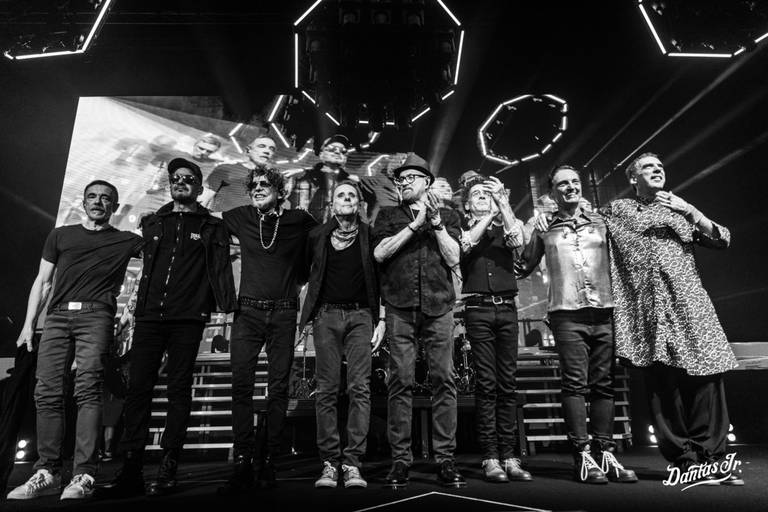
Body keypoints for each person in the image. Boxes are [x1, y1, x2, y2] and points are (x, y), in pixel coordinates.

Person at [99, 158, 237, 498]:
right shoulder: (153, 222)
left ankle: (169, 464)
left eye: (188, 178)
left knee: (178, 390)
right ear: (170, 183)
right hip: (149, 317)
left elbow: (221, 268)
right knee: (138, 390)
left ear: (199, 187)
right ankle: (131, 466)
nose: (181, 182)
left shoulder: (212, 226)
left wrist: (225, 309)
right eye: (176, 178)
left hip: (188, 318)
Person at [603, 153, 741, 484]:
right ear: (633, 178)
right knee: (664, 386)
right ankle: (684, 460)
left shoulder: (680, 210)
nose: (657, 170)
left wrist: (690, 211)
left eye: (660, 167)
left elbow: (722, 239)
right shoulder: (617, 210)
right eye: (648, 167)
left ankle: (713, 458)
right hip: (650, 312)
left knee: (706, 380)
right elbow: (584, 222)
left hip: (689, 306)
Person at [8, 181, 144, 500]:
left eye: (106, 198)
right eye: (92, 197)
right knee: (47, 391)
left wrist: (131, 311)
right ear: (83, 202)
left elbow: (161, 258)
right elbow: (43, 282)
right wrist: (28, 324)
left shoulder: (126, 240)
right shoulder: (61, 235)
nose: (98, 202)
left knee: (88, 389)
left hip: (96, 316)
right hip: (56, 317)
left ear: (115, 206)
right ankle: (48, 472)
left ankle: (84, 474)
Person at [518, 165, 637, 484]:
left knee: (604, 384)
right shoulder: (546, 226)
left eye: (575, 182)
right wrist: (530, 230)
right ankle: (582, 455)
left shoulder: (602, 222)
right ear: (552, 192)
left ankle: (605, 451)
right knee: (574, 383)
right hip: (566, 313)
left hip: (603, 310)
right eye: (563, 184)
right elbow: (523, 266)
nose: (571, 187)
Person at [218, 166, 317, 494]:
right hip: (247, 312)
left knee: (277, 389)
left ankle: (270, 459)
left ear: (280, 190)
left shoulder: (299, 220)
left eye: (265, 184)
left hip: (284, 312)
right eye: (254, 185)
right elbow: (205, 221)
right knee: (241, 387)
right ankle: (243, 460)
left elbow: (324, 238)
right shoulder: (241, 216)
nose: (258, 189)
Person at [373, 153, 465, 489]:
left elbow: (454, 258)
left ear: (427, 182)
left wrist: (436, 223)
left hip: (439, 306)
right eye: (401, 178)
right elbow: (379, 253)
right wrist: (416, 223)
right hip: (400, 306)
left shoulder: (450, 215)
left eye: (412, 177)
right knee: (400, 380)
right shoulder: (388, 215)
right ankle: (401, 460)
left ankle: (445, 459)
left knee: (444, 379)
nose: (404, 182)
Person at [300, 180, 384, 489]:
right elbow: (305, 274)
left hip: (361, 316)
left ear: (359, 204)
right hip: (326, 316)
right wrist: (306, 317)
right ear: (332, 204)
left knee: (360, 388)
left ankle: (352, 463)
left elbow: (383, 279)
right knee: (327, 389)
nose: (346, 199)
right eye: (341, 195)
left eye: (351, 195)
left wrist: (382, 319)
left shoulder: (371, 236)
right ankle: (329, 463)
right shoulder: (317, 236)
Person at [458, 175, 532, 483]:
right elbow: (465, 246)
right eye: (476, 194)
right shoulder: (463, 229)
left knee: (507, 383)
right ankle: (490, 456)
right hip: (478, 310)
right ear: (466, 205)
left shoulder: (506, 224)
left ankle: (510, 456)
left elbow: (519, 242)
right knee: (487, 384)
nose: (483, 197)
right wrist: (488, 215)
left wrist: (502, 203)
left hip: (507, 309)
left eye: (486, 194)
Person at [287, 134, 353, 223]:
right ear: (321, 153)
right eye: (332, 149)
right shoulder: (301, 176)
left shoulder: (351, 182)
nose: (338, 152)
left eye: (343, 151)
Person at [204, 135, 277, 212]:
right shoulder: (226, 168)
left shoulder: (271, 178)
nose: (267, 151)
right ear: (248, 150)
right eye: (261, 146)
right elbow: (206, 197)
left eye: (272, 149)